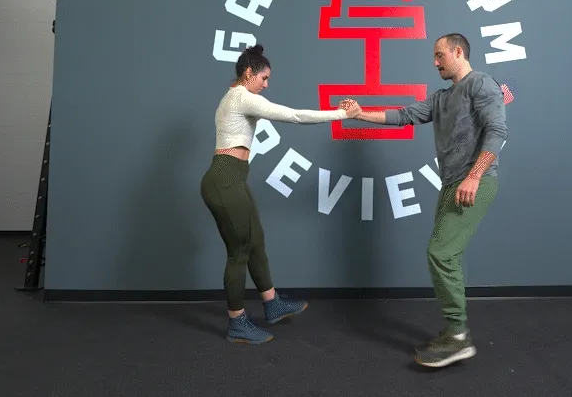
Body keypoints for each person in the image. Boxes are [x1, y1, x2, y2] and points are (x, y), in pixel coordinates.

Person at [352, 33, 508, 368]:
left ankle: (458, 336)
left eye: (440, 56)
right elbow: (404, 115)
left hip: (474, 182)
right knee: (448, 254)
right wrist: (361, 114)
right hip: (452, 183)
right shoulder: (441, 98)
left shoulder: (481, 84)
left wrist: (474, 175)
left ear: (457, 51)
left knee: (441, 252)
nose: (435, 62)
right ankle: (454, 331)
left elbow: (497, 131)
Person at [201, 44, 362, 344]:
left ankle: (271, 302)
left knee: (256, 240)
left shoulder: (236, 97)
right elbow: (294, 115)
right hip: (223, 180)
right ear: (249, 73)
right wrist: (341, 113)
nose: (266, 84)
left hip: (233, 178)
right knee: (238, 251)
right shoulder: (240, 96)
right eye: (263, 78)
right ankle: (237, 322)